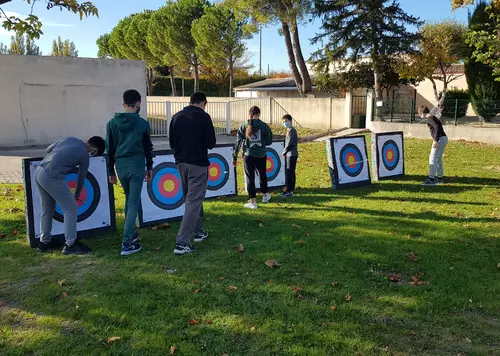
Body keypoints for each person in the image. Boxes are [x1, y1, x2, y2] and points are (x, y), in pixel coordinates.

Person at [35, 136, 106, 255]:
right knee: (71, 209)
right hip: (53, 176)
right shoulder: (84, 155)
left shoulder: (70, 139)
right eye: (96, 153)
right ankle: (70, 244)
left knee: (47, 208)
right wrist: (77, 195)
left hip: (39, 171)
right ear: (94, 148)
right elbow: (81, 177)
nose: (93, 155)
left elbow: (48, 149)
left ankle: (44, 242)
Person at [106, 89, 154, 256]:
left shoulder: (112, 124)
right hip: (137, 165)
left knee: (129, 200)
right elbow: (148, 147)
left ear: (123, 104)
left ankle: (131, 235)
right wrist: (150, 167)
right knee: (133, 202)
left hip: (121, 166)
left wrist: (110, 170)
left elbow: (109, 149)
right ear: (138, 104)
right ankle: (127, 242)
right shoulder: (142, 124)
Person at [169, 92, 216, 255]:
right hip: (198, 164)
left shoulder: (176, 116)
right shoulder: (204, 117)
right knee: (194, 201)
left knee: (190, 198)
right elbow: (211, 143)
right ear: (204, 102)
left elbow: (171, 143)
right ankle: (182, 242)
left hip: (181, 163)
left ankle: (198, 231)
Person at [233, 106, 273, 209]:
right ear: (259, 114)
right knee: (262, 175)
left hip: (248, 155)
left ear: (249, 114)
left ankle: (252, 202)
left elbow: (238, 142)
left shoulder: (244, 125)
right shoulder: (264, 126)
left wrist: (235, 157)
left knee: (250, 177)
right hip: (261, 155)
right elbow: (269, 141)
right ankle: (265, 196)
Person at [418, 105, 448, 186]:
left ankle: (431, 179)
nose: (420, 116)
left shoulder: (429, 119)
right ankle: (440, 178)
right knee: (438, 159)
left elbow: (437, 127)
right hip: (444, 138)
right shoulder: (433, 117)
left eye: (419, 114)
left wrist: (435, 140)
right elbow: (437, 127)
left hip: (440, 139)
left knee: (432, 158)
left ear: (421, 113)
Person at [281, 114, 298, 197]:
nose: (285, 123)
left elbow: (288, 143)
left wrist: (284, 152)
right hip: (290, 154)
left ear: (291, 121)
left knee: (289, 172)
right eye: (283, 122)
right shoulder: (289, 130)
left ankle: (289, 190)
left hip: (291, 154)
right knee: (291, 172)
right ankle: (290, 190)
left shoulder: (292, 130)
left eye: (286, 121)